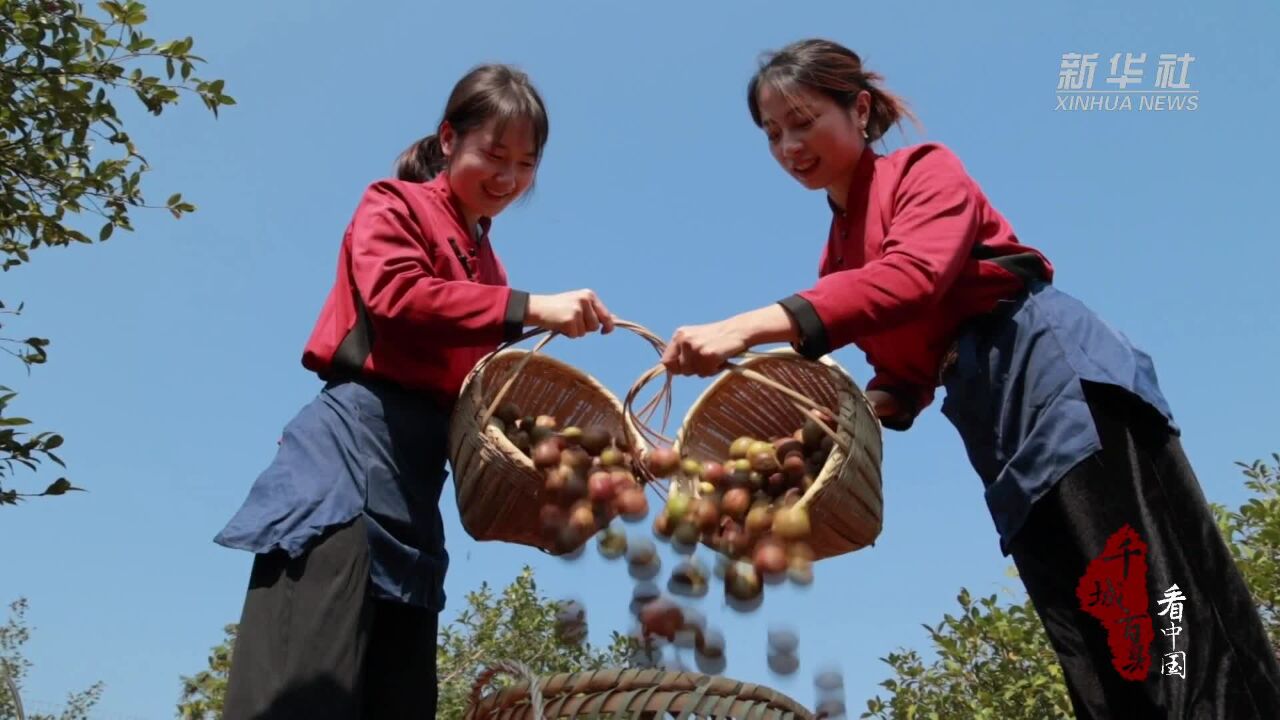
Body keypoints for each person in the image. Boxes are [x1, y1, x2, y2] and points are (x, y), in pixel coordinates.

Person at [660, 38, 1280, 718]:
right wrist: (829, 433)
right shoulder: (836, 259)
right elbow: (902, 375)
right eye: (773, 134)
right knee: (1091, 637)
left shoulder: (924, 171)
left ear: (858, 109)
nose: (788, 146)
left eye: (803, 120)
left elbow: (912, 278)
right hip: (995, 421)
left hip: (1054, 378)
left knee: (1152, 609)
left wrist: (748, 327)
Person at [214, 63, 614, 719]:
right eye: (494, 153)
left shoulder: (490, 267)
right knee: (304, 695)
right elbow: (397, 296)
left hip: (416, 495)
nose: (508, 179)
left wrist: (583, 468)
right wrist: (531, 308)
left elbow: (487, 406)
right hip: (348, 471)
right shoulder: (393, 204)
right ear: (449, 139)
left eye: (525, 164)